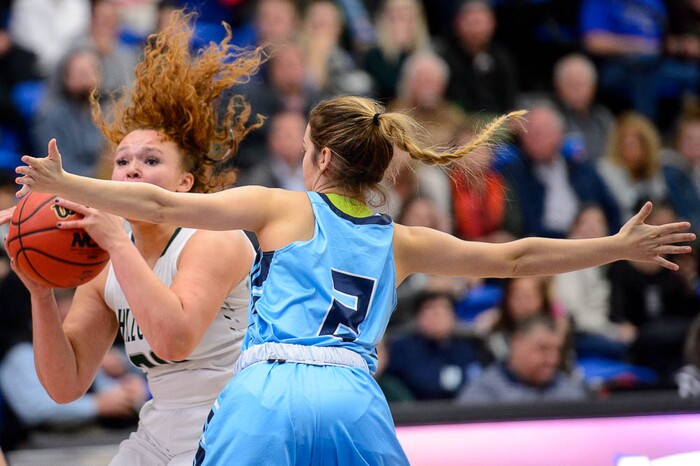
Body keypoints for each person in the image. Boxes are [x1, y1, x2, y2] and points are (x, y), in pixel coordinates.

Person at [12, 94, 695, 465]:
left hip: (265, 390)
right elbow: (516, 258)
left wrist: (65, 181)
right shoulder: (400, 241)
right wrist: (613, 245)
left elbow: (162, 205)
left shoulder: (281, 206)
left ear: (320, 158)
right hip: (349, 392)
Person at [6, 11, 259, 465]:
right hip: (161, 423)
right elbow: (65, 387)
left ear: (185, 184)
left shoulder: (213, 237)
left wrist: (118, 246)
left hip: (233, 423)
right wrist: (40, 291)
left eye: (150, 160)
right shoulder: (101, 259)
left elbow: (175, 340)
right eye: (122, 162)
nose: (132, 169)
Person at [457, 315, 589, 404]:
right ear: (517, 342)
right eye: (542, 348)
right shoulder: (483, 394)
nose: (552, 359)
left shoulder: (571, 393)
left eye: (557, 350)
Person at [384, 289, 487, 400]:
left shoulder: (469, 348)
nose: (438, 315)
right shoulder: (400, 349)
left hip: (463, 413)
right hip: (413, 413)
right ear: (418, 317)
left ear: (454, 316)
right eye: (430, 309)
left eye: (444, 309)